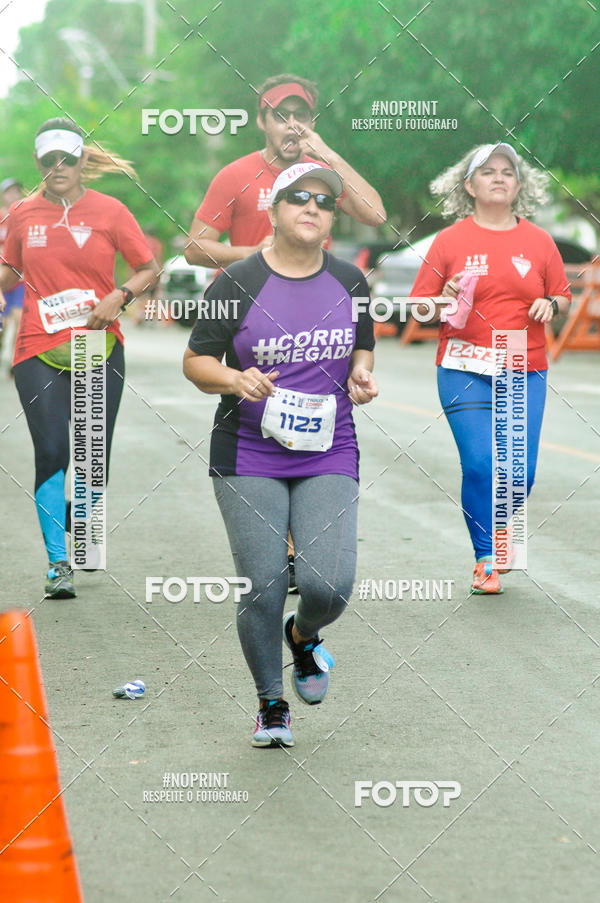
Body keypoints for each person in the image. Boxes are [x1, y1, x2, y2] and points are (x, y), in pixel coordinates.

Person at [183, 162, 378, 747]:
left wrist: (363, 376)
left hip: (328, 448)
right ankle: (271, 703)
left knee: (329, 585)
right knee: (263, 584)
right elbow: (195, 363)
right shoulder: (236, 281)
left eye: (324, 201)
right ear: (273, 208)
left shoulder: (351, 281)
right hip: (247, 452)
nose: (312, 207)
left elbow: (362, 348)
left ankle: (305, 635)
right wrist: (235, 379)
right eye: (299, 197)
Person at [185, 74, 386, 594]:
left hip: (319, 309)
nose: (291, 123)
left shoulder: (324, 178)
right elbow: (194, 247)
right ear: (262, 121)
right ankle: (282, 548)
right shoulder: (236, 175)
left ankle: (305, 547)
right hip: (250, 316)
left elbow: (377, 214)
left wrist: (327, 154)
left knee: (316, 425)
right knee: (261, 412)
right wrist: (266, 263)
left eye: (301, 115)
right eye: (280, 114)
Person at [0, 118, 159, 598]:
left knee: (92, 459)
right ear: (38, 163)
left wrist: (120, 296)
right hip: (38, 348)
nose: (58, 167)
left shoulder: (111, 212)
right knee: (51, 451)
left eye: (67, 158)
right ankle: (57, 563)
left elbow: (149, 267)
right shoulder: (23, 215)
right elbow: (8, 273)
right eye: (49, 159)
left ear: (83, 160)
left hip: (97, 345)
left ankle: (80, 525)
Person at [410, 142, 570, 594]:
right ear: (469, 185)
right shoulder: (449, 241)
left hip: (523, 365)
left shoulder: (539, 241)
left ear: (519, 185)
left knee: (520, 473)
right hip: (463, 365)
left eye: (508, 171)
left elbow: (562, 294)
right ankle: (485, 559)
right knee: (480, 465)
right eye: (488, 171)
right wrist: (444, 298)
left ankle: (500, 530)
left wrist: (548, 303)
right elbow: (419, 307)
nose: (499, 177)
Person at [0, 178, 25, 371]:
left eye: (17, 191)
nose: (13, 196)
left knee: (19, 319)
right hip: (1, 280)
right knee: (4, 323)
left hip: (19, 280)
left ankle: (13, 362)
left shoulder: (25, 216)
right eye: (9, 192)